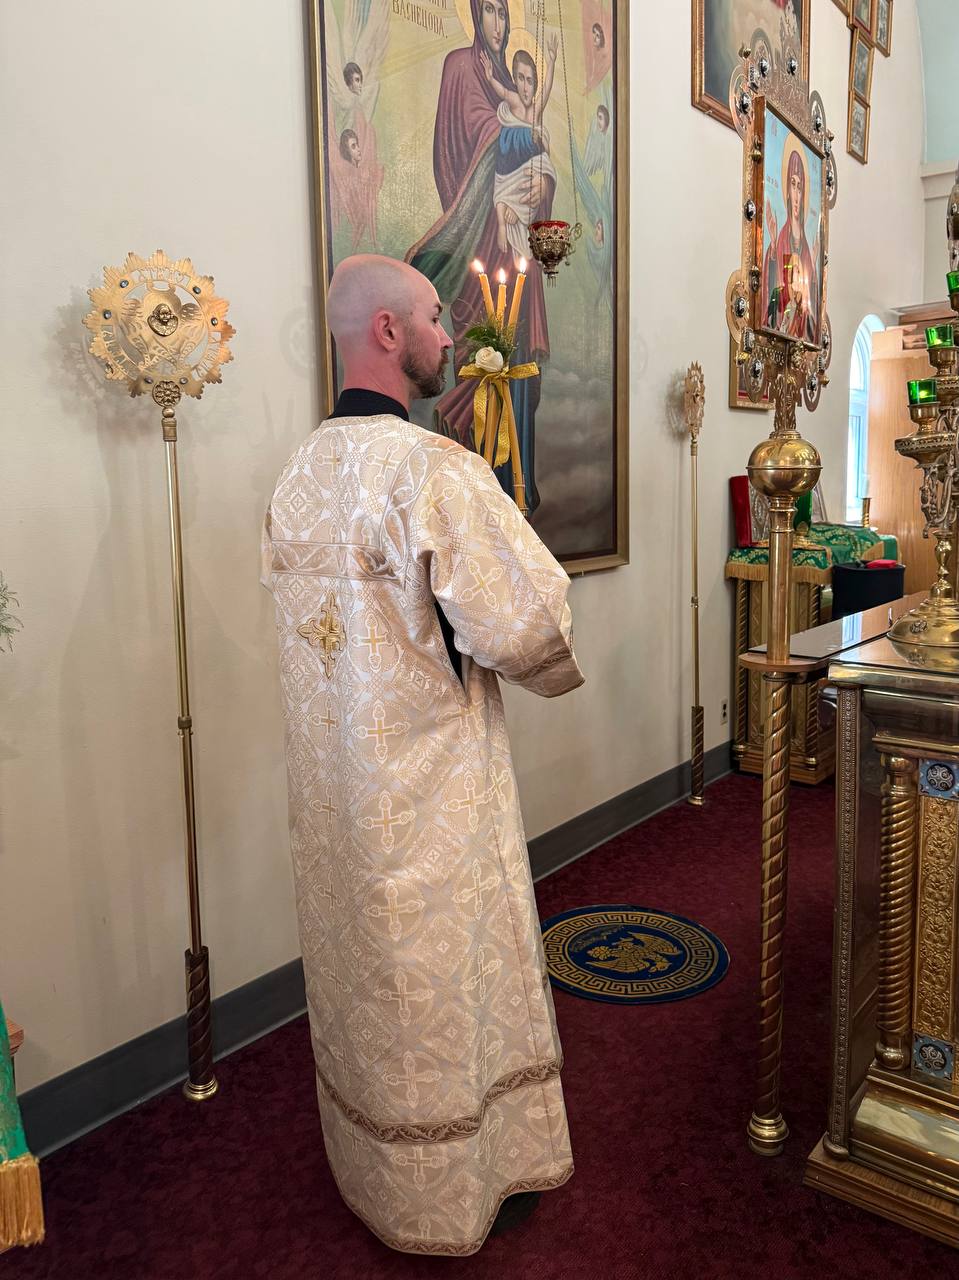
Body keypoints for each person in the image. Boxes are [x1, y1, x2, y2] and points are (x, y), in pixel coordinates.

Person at [262, 254, 583, 1256]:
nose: (451, 336)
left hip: (336, 797)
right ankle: (461, 1181)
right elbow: (525, 625)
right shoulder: (432, 469)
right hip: (432, 796)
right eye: (437, 318)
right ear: (388, 333)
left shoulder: (295, 475)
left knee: (368, 984)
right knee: (451, 980)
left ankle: (373, 1170)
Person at [407, 0, 552, 515]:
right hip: (479, 241)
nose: (499, 22)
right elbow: (463, 141)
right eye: (489, 10)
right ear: (474, 13)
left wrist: (542, 182)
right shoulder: (460, 68)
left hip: (515, 250)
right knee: (481, 363)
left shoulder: (510, 81)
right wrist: (521, 136)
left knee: (521, 372)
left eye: (503, 13)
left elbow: (537, 164)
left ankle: (518, 486)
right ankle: (477, 495)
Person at [480, 40, 559, 259]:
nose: (526, 87)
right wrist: (489, 77)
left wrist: (551, 63)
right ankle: (502, 224)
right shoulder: (514, 100)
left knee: (529, 184)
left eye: (530, 81)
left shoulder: (535, 110)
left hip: (526, 169)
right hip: (508, 165)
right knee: (503, 188)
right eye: (521, 79)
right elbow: (502, 91)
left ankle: (516, 211)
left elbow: (547, 88)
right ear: (515, 79)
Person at [762, 142, 820, 344]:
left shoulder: (807, 249)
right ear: (787, 190)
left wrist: (813, 266)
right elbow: (771, 292)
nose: (796, 195)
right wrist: (773, 247)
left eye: (800, 187)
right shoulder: (780, 238)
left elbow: (811, 311)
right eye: (792, 184)